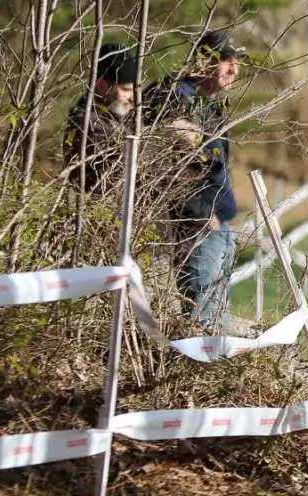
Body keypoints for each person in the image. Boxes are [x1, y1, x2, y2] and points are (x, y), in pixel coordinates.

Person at [145, 29, 247, 331]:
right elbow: (163, 164)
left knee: (216, 320)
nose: (233, 69)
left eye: (237, 62)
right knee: (202, 323)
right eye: (225, 61)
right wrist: (202, 211)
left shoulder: (206, 103)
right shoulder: (178, 97)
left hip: (217, 226)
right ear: (204, 62)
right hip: (198, 226)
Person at [64, 43, 137, 193]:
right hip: (96, 213)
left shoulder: (116, 117)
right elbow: (121, 161)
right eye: (126, 90)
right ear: (102, 85)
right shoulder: (85, 122)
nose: (132, 99)